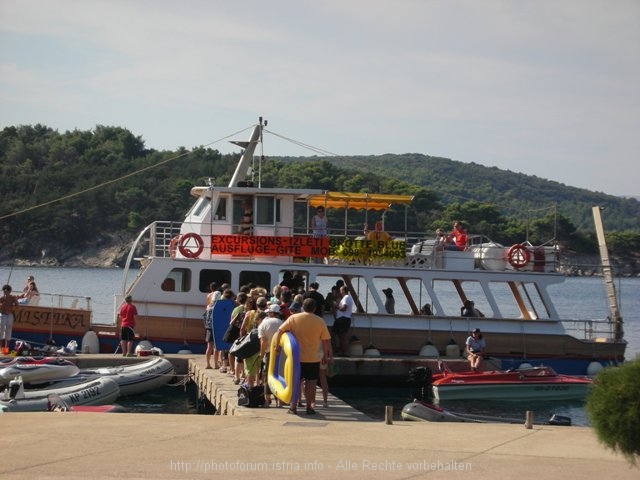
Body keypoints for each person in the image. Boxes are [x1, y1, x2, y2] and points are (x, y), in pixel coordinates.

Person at [274, 298, 331, 415]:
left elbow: (280, 331)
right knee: (311, 383)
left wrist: (277, 346)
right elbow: (326, 341)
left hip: (296, 358)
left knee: (295, 382)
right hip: (313, 358)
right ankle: (309, 407)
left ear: (302, 307)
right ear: (315, 308)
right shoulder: (320, 321)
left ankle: (293, 406)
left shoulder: (294, 318)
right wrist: (326, 355)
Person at [258, 303, 283, 407]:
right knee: (280, 376)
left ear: (271, 313)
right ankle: (279, 401)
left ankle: (267, 401)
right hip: (281, 353)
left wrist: (261, 354)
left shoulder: (263, 325)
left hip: (269, 353)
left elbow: (263, 342)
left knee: (268, 376)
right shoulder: (282, 323)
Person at [333, 286, 353, 356]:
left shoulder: (346, 297)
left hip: (343, 318)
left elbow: (344, 308)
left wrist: (336, 306)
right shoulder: (348, 297)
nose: (340, 292)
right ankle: (343, 352)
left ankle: (343, 352)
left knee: (341, 336)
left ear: (343, 291)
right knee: (342, 336)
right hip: (345, 318)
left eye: (341, 290)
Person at [0, 285, 19, 351]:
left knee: (8, 331)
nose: (5, 292)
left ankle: (6, 349)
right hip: (3, 315)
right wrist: (1, 305)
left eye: (6, 291)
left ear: (9, 291)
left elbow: (17, 306)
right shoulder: (2, 298)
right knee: (1, 331)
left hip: (10, 315)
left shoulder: (13, 297)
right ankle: (0, 349)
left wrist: (14, 302)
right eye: (4, 291)